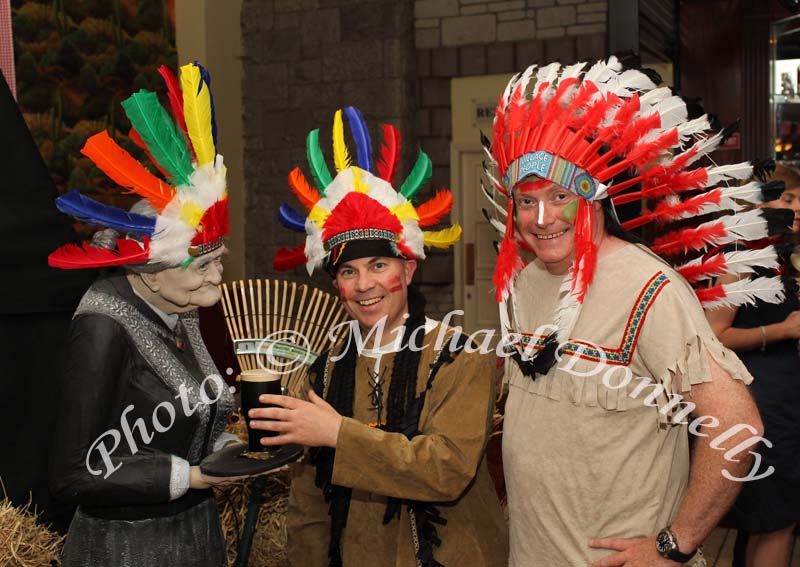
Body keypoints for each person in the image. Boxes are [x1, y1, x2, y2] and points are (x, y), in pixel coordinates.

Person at [484, 58, 772, 566]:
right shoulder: (521, 284)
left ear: (593, 199)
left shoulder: (648, 286)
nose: (543, 218)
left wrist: (674, 544)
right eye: (526, 202)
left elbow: (737, 429)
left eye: (560, 196)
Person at [253, 107, 508, 567]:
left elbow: (445, 469)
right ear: (336, 284)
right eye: (348, 272)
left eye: (378, 266)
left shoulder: (458, 356)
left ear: (408, 269)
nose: (364, 285)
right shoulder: (322, 366)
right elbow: (309, 498)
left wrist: (338, 434)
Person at [49, 62, 241, 567]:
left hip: (195, 534)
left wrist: (224, 446)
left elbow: (173, 414)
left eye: (219, 261)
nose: (217, 280)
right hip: (129, 549)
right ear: (151, 272)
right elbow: (72, 475)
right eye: (202, 266)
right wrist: (195, 477)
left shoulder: (183, 304)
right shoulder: (100, 326)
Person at [706, 164, 800, 567]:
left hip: (785, 403)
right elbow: (714, 337)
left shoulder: (782, 257)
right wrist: (783, 330)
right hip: (760, 405)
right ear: (757, 201)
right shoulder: (740, 260)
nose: (798, 207)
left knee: (769, 522)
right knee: (776, 522)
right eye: (789, 197)